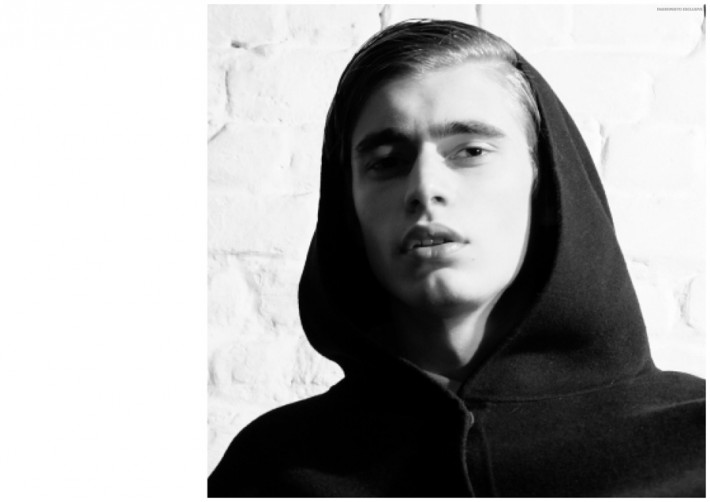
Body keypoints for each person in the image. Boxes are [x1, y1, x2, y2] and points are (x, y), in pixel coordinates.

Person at [208, 19, 705, 497]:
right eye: (387, 162)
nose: (425, 188)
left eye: (470, 151)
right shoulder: (271, 470)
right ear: (349, 209)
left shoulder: (695, 443)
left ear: (547, 188)